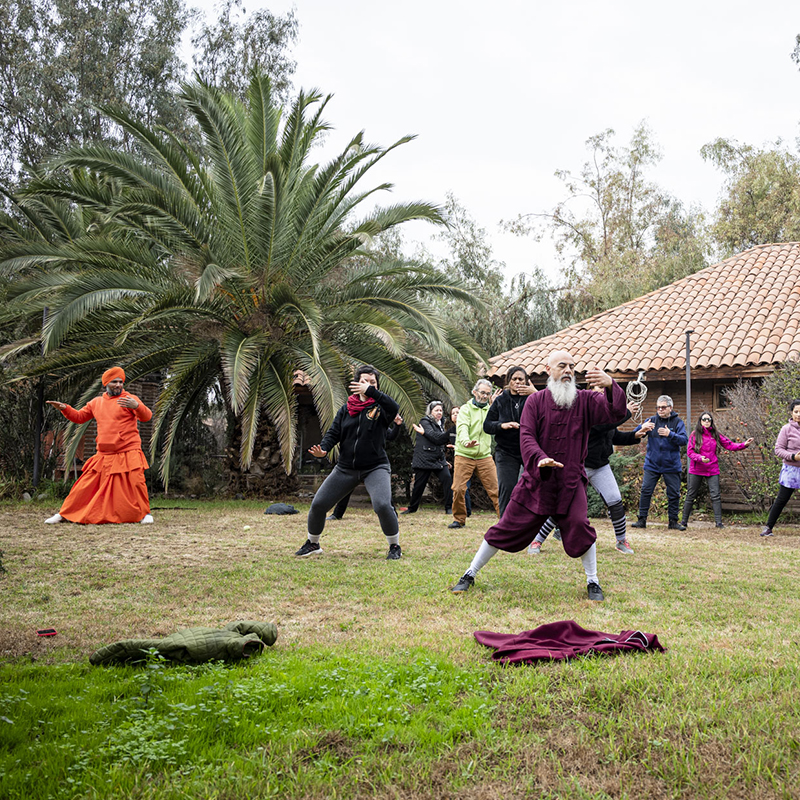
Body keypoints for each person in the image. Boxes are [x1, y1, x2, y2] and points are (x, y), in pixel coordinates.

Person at [450, 351, 627, 602]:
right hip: (536, 480)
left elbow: (615, 413)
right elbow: (527, 437)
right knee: (505, 527)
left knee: (579, 525)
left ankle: (593, 581)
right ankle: (469, 573)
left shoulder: (586, 400)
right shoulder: (535, 402)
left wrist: (611, 386)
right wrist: (540, 458)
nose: (568, 371)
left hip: (570, 481)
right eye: (562, 366)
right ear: (548, 369)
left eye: (572, 367)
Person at [295, 365, 402, 559]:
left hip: (375, 467)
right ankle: (313, 543)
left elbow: (394, 407)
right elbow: (334, 433)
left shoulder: (381, 408)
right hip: (346, 468)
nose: (368, 385)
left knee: (382, 505)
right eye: (364, 381)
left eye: (372, 383)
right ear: (355, 384)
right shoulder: (346, 409)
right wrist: (324, 449)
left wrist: (370, 392)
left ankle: (394, 546)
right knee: (319, 504)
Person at [529, 391, 641, 555]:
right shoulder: (587, 414)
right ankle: (537, 540)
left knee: (615, 500)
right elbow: (603, 425)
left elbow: (614, 435)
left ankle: (621, 541)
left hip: (601, 466)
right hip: (579, 466)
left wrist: (635, 436)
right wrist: (627, 412)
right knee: (562, 504)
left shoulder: (608, 415)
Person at [44, 367, 153, 525]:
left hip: (129, 451)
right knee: (83, 485)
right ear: (106, 384)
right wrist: (64, 408)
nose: (118, 385)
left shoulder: (129, 399)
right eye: (114, 382)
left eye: (121, 382)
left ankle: (145, 514)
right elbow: (80, 417)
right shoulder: (96, 402)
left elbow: (146, 417)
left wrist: (136, 406)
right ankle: (64, 514)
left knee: (137, 483)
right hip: (104, 454)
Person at [681, 412, 753, 528]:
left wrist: (744, 444)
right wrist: (700, 458)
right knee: (691, 494)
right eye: (704, 419)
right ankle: (684, 521)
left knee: (715, 495)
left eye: (709, 419)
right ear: (700, 421)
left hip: (712, 469)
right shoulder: (695, 435)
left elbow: (729, 445)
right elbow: (690, 452)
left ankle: (718, 523)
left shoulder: (715, 434)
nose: (706, 421)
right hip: (697, 469)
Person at [483, 366, 537, 516]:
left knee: (535, 486)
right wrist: (502, 425)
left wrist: (536, 393)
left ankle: (533, 523)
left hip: (529, 450)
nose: (518, 382)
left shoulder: (533, 398)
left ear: (527, 381)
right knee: (507, 488)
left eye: (521, 379)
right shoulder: (501, 400)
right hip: (506, 451)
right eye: (514, 379)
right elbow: (487, 426)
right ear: (509, 381)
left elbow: (550, 412)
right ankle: (504, 525)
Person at [326, 415, 403, 521]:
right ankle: (337, 514)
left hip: (373, 465)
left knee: (382, 491)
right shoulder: (351, 421)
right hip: (353, 463)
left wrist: (397, 425)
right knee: (346, 489)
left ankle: (392, 514)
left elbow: (391, 436)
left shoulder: (377, 423)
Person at [630, 395, 688, 531]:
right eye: (658, 407)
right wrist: (642, 428)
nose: (660, 410)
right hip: (652, 464)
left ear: (670, 408)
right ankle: (641, 520)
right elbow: (634, 434)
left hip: (671, 465)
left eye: (663, 407)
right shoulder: (651, 421)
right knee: (645, 491)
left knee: (673, 494)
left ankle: (673, 522)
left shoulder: (677, 422)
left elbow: (684, 440)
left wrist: (670, 434)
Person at [448, 379, 500, 529]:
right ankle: (459, 519)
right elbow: (462, 427)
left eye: (487, 394)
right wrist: (466, 442)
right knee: (458, 489)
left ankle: (505, 519)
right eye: (482, 392)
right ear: (474, 392)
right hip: (464, 454)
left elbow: (498, 422)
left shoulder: (490, 409)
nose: (484, 396)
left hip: (484, 456)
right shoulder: (465, 409)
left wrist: (495, 405)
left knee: (496, 489)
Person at [402, 401, 451, 514]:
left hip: (438, 459)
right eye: (436, 410)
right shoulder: (425, 421)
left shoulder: (441, 423)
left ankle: (449, 508)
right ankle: (412, 508)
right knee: (419, 485)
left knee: (447, 480)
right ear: (431, 411)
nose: (439, 413)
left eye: (441, 410)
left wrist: (444, 459)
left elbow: (439, 441)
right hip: (424, 458)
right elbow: (434, 437)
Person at [761, 399, 800, 537]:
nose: (799, 414)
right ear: (791, 412)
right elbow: (778, 450)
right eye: (796, 412)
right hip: (791, 469)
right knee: (782, 499)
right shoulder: (786, 429)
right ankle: (768, 527)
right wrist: (793, 456)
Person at [444, 406, 471, 516]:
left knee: (463, 486)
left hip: (469, 459)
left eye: (458, 412)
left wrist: (459, 448)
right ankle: (464, 511)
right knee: (459, 487)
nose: (455, 414)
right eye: (453, 413)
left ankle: (467, 511)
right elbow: (439, 439)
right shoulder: (451, 431)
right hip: (458, 461)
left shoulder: (468, 427)